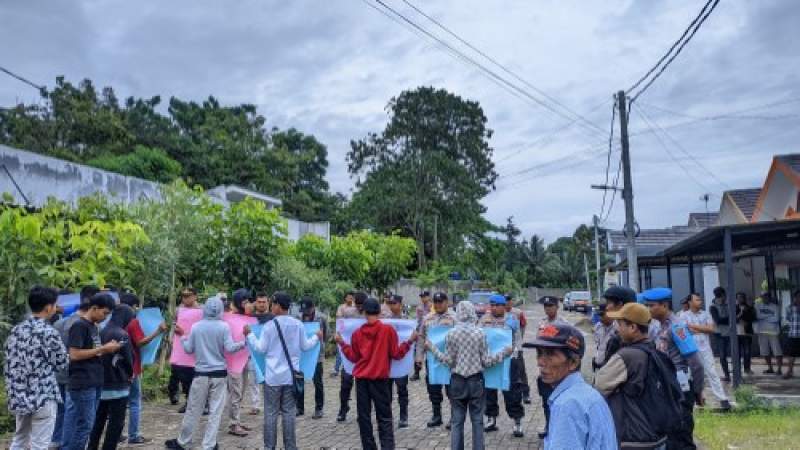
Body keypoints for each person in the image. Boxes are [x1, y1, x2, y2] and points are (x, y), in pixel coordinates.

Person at [426, 301, 511, 450]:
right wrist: (504, 352)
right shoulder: (480, 333)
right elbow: (486, 361)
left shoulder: (451, 333)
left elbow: (448, 361)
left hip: (457, 381)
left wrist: (432, 348)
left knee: (457, 422)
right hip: (476, 381)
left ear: (458, 313)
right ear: (472, 312)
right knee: (478, 421)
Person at [336, 298, 417, 450]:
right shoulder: (388, 331)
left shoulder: (357, 333)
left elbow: (353, 357)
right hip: (380, 381)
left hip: (361, 380)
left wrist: (341, 343)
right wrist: (409, 341)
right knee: (385, 418)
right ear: (379, 313)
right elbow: (396, 354)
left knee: (364, 418)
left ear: (364, 313)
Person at [165, 296, 245, 450]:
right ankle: (209, 445)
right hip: (219, 374)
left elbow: (189, 349)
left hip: (200, 373)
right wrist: (244, 343)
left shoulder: (196, 327)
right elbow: (230, 348)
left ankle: (183, 442)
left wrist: (183, 336)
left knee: (193, 409)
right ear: (221, 309)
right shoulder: (224, 326)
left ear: (205, 309)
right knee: (215, 412)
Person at [245, 292, 321, 450]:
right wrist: (316, 337)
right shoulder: (298, 324)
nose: (271, 306)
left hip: (272, 377)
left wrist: (250, 335)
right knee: (288, 413)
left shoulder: (269, 326)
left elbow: (260, 348)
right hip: (291, 377)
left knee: (271, 413)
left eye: (273, 304)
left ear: (279, 306)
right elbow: (306, 346)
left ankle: (269, 447)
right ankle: (290, 447)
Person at [528, 323, 617, 449]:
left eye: (550, 354)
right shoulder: (586, 393)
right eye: (539, 353)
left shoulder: (568, 404)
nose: (540, 362)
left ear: (573, 362)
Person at [595, 302, 668, 450]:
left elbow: (599, 385)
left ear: (633, 327)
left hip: (634, 438)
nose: (617, 329)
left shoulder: (626, 356)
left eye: (620, 324)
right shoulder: (654, 350)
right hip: (657, 433)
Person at [4, 286, 69, 450]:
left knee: (19, 440)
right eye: (55, 305)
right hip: (43, 396)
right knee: (40, 445)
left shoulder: (16, 330)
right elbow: (62, 362)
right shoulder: (48, 332)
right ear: (48, 307)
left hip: (19, 395)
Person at [644, 288, 704, 450]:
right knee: (669, 435)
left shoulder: (677, 327)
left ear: (664, 305)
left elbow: (695, 362)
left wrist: (698, 390)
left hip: (680, 387)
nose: (649, 309)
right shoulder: (659, 326)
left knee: (681, 434)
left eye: (651, 305)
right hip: (667, 386)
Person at [61, 293, 120, 450]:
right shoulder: (79, 326)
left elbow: (93, 351)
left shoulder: (94, 326)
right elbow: (74, 354)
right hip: (82, 382)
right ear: (94, 308)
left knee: (88, 424)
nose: (105, 317)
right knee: (84, 426)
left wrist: (108, 348)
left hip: (94, 380)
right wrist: (102, 348)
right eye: (104, 313)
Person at [52, 285, 100, 448]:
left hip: (61, 374)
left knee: (64, 412)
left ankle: (59, 441)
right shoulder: (83, 325)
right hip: (77, 376)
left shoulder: (60, 323)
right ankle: (67, 445)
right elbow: (75, 353)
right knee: (75, 415)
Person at [119, 293, 167, 445]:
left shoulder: (113, 321)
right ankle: (134, 435)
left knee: (118, 403)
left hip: (117, 368)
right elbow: (140, 342)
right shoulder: (133, 322)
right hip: (132, 366)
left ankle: (117, 434)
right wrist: (158, 332)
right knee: (134, 402)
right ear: (133, 306)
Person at [87, 304, 136, 450]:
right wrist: (129, 374)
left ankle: (91, 446)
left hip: (101, 384)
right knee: (115, 423)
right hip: (118, 384)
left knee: (98, 421)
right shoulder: (122, 334)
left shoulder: (100, 331)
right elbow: (128, 360)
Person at [479, 294, 524, 437]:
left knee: (512, 392)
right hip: (490, 361)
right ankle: (491, 418)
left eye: (496, 305)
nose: (493, 308)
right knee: (489, 390)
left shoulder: (512, 320)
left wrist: (515, 355)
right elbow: (479, 337)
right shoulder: (484, 320)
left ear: (504, 306)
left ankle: (517, 422)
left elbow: (517, 339)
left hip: (507, 361)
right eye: (491, 305)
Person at [679, 293, 731, 410]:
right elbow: (684, 332)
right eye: (697, 300)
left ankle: (722, 399)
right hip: (690, 350)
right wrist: (702, 329)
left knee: (712, 372)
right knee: (692, 375)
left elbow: (711, 329)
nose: (700, 301)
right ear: (690, 302)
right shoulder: (683, 315)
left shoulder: (705, 314)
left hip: (705, 349)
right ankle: (695, 399)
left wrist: (692, 326)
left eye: (700, 299)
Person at [416, 292, 456, 428]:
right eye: (436, 302)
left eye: (441, 301)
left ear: (447, 302)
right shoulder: (427, 318)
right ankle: (436, 415)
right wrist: (419, 357)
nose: (438, 304)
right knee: (433, 387)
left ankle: (453, 417)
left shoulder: (455, 318)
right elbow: (421, 338)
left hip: (450, 360)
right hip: (432, 360)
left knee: (451, 388)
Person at [534, 296, 570, 439]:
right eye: (546, 306)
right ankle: (549, 426)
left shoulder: (564, 324)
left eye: (551, 306)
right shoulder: (541, 323)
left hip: (559, 371)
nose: (548, 309)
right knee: (546, 401)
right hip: (545, 369)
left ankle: (560, 429)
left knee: (561, 401)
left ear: (557, 307)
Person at [226, 288, 254, 437]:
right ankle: (233, 424)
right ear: (240, 303)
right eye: (246, 301)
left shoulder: (246, 318)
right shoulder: (229, 318)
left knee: (240, 392)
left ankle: (237, 420)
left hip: (243, 360)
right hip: (232, 363)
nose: (250, 304)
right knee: (235, 393)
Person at [380, 294, 411, 428]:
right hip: (388, 359)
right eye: (390, 304)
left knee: (402, 390)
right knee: (386, 391)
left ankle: (403, 416)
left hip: (402, 359)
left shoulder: (407, 320)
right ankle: (388, 416)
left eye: (394, 303)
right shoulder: (385, 320)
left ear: (400, 304)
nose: (392, 306)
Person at [169, 288, 201, 411]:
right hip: (181, 346)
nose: (185, 298)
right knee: (182, 375)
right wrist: (173, 336)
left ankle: (199, 402)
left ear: (195, 296)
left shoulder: (201, 311)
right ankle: (189, 400)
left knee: (196, 376)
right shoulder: (179, 310)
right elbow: (174, 324)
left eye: (188, 295)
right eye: (183, 296)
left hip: (195, 347)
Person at [337, 291, 367, 422]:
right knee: (345, 382)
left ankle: (363, 412)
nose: (359, 307)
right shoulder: (349, 313)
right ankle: (343, 408)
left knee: (363, 388)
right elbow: (341, 327)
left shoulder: (369, 314)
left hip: (366, 354)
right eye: (357, 304)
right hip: (350, 352)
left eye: (362, 305)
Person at [297, 297, 328, 419]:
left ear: (313, 307)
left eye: (308, 310)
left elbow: (326, 335)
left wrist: (320, 342)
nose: (306, 313)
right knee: (299, 381)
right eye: (304, 310)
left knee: (317, 382)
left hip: (317, 355)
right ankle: (299, 407)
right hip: (302, 354)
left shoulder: (322, 318)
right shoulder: (298, 319)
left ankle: (319, 408)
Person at [246, 292, 273, 415]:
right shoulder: (250, 318)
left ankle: (271, 404)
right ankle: (255, 405)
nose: (262, 304)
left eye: (264, 302)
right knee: (253, 380)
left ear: (268, 303)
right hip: (253, 353)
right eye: (259, 302)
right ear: (255, 303)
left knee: (270, 380)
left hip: (269, 353)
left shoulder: (273, 318)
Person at [504, 294, 531, 404]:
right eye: (505, 301)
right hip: (505, 348)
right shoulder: (500, 314)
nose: (507, 303)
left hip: (517, 347)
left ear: (512, 301)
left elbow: (523, 325)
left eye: (508, 301)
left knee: (521, 371)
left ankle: (526, 394)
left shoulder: (518, 313)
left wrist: (520, 339)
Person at [602, 286, 639, 364]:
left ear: (620, 304)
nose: (607, 307)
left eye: (609, 303)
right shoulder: (615, 324)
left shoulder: (638, 329)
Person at [754, 291, 783, 375]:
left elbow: (776, 319)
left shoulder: (775, 307)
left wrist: (763, 318)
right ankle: (770, 368)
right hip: (761, 332)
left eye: (766, 296)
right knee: (764, 351)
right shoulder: (757, 306)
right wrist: (769, 315)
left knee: (777, 351)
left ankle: (779, 369)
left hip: (773, 332)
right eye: (763, 296)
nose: (764, 298)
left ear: (769, 297)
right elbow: (757, 316)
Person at [332, 291, 358, 378]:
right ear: (345, 298)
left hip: (354, 333)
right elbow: (339, 318)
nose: (350, 299)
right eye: (349, 297)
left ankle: (352, 367)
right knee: (340, 351)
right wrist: (338, 332)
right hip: (343, 333)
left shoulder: (356, 307)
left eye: (352, 297)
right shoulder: (341, 307)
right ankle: (336, 369)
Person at [709, 287, 732, 381]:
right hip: (719, 333)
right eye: (722, 296)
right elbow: (718, 320)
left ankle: (736, 373)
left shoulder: (729, 304)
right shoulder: (713, 306)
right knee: (722, 355)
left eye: (724, 296)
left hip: (731, 333)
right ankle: (727, 375)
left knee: (734, 354)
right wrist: (730, 318)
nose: (724, 298)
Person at [411, 290, 433, 381]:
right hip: (420, 332)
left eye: (424, 296)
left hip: (430, 332)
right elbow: (417, 320)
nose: (423, 298)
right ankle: (416, 373)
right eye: (421, 297)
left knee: (430, 353)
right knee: (418, 352)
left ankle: (429, 373)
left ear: (428, 297)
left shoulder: (433, 306)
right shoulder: (419, 308)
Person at [735, 292, 755, 375]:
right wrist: (740, 315)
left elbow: (753, 318)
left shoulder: (749, 307)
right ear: (736, 298)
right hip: (736, 333)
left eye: (742, 297)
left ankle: (747, 368)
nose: (740, 299)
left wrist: (746, 321)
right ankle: (737, 368)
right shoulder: (734, 307)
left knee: (747, 352)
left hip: (746, 333)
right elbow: (732, 318)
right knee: (737, 352)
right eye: (738, 297)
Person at [782, 290, 800, 379]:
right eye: (797, 297)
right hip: (793, 334)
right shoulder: (789, 308)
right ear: (794, 298)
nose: (798, 299)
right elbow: (788, 319)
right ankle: (790, 371)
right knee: (791, 354)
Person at [592, 303, 615, 371]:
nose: (600, 318)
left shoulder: (618, 328)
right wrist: (595, 358)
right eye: (599, 315)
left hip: (611, 367)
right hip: (598, 365)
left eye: (602, 315)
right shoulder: (598, 326)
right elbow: (597, 345)